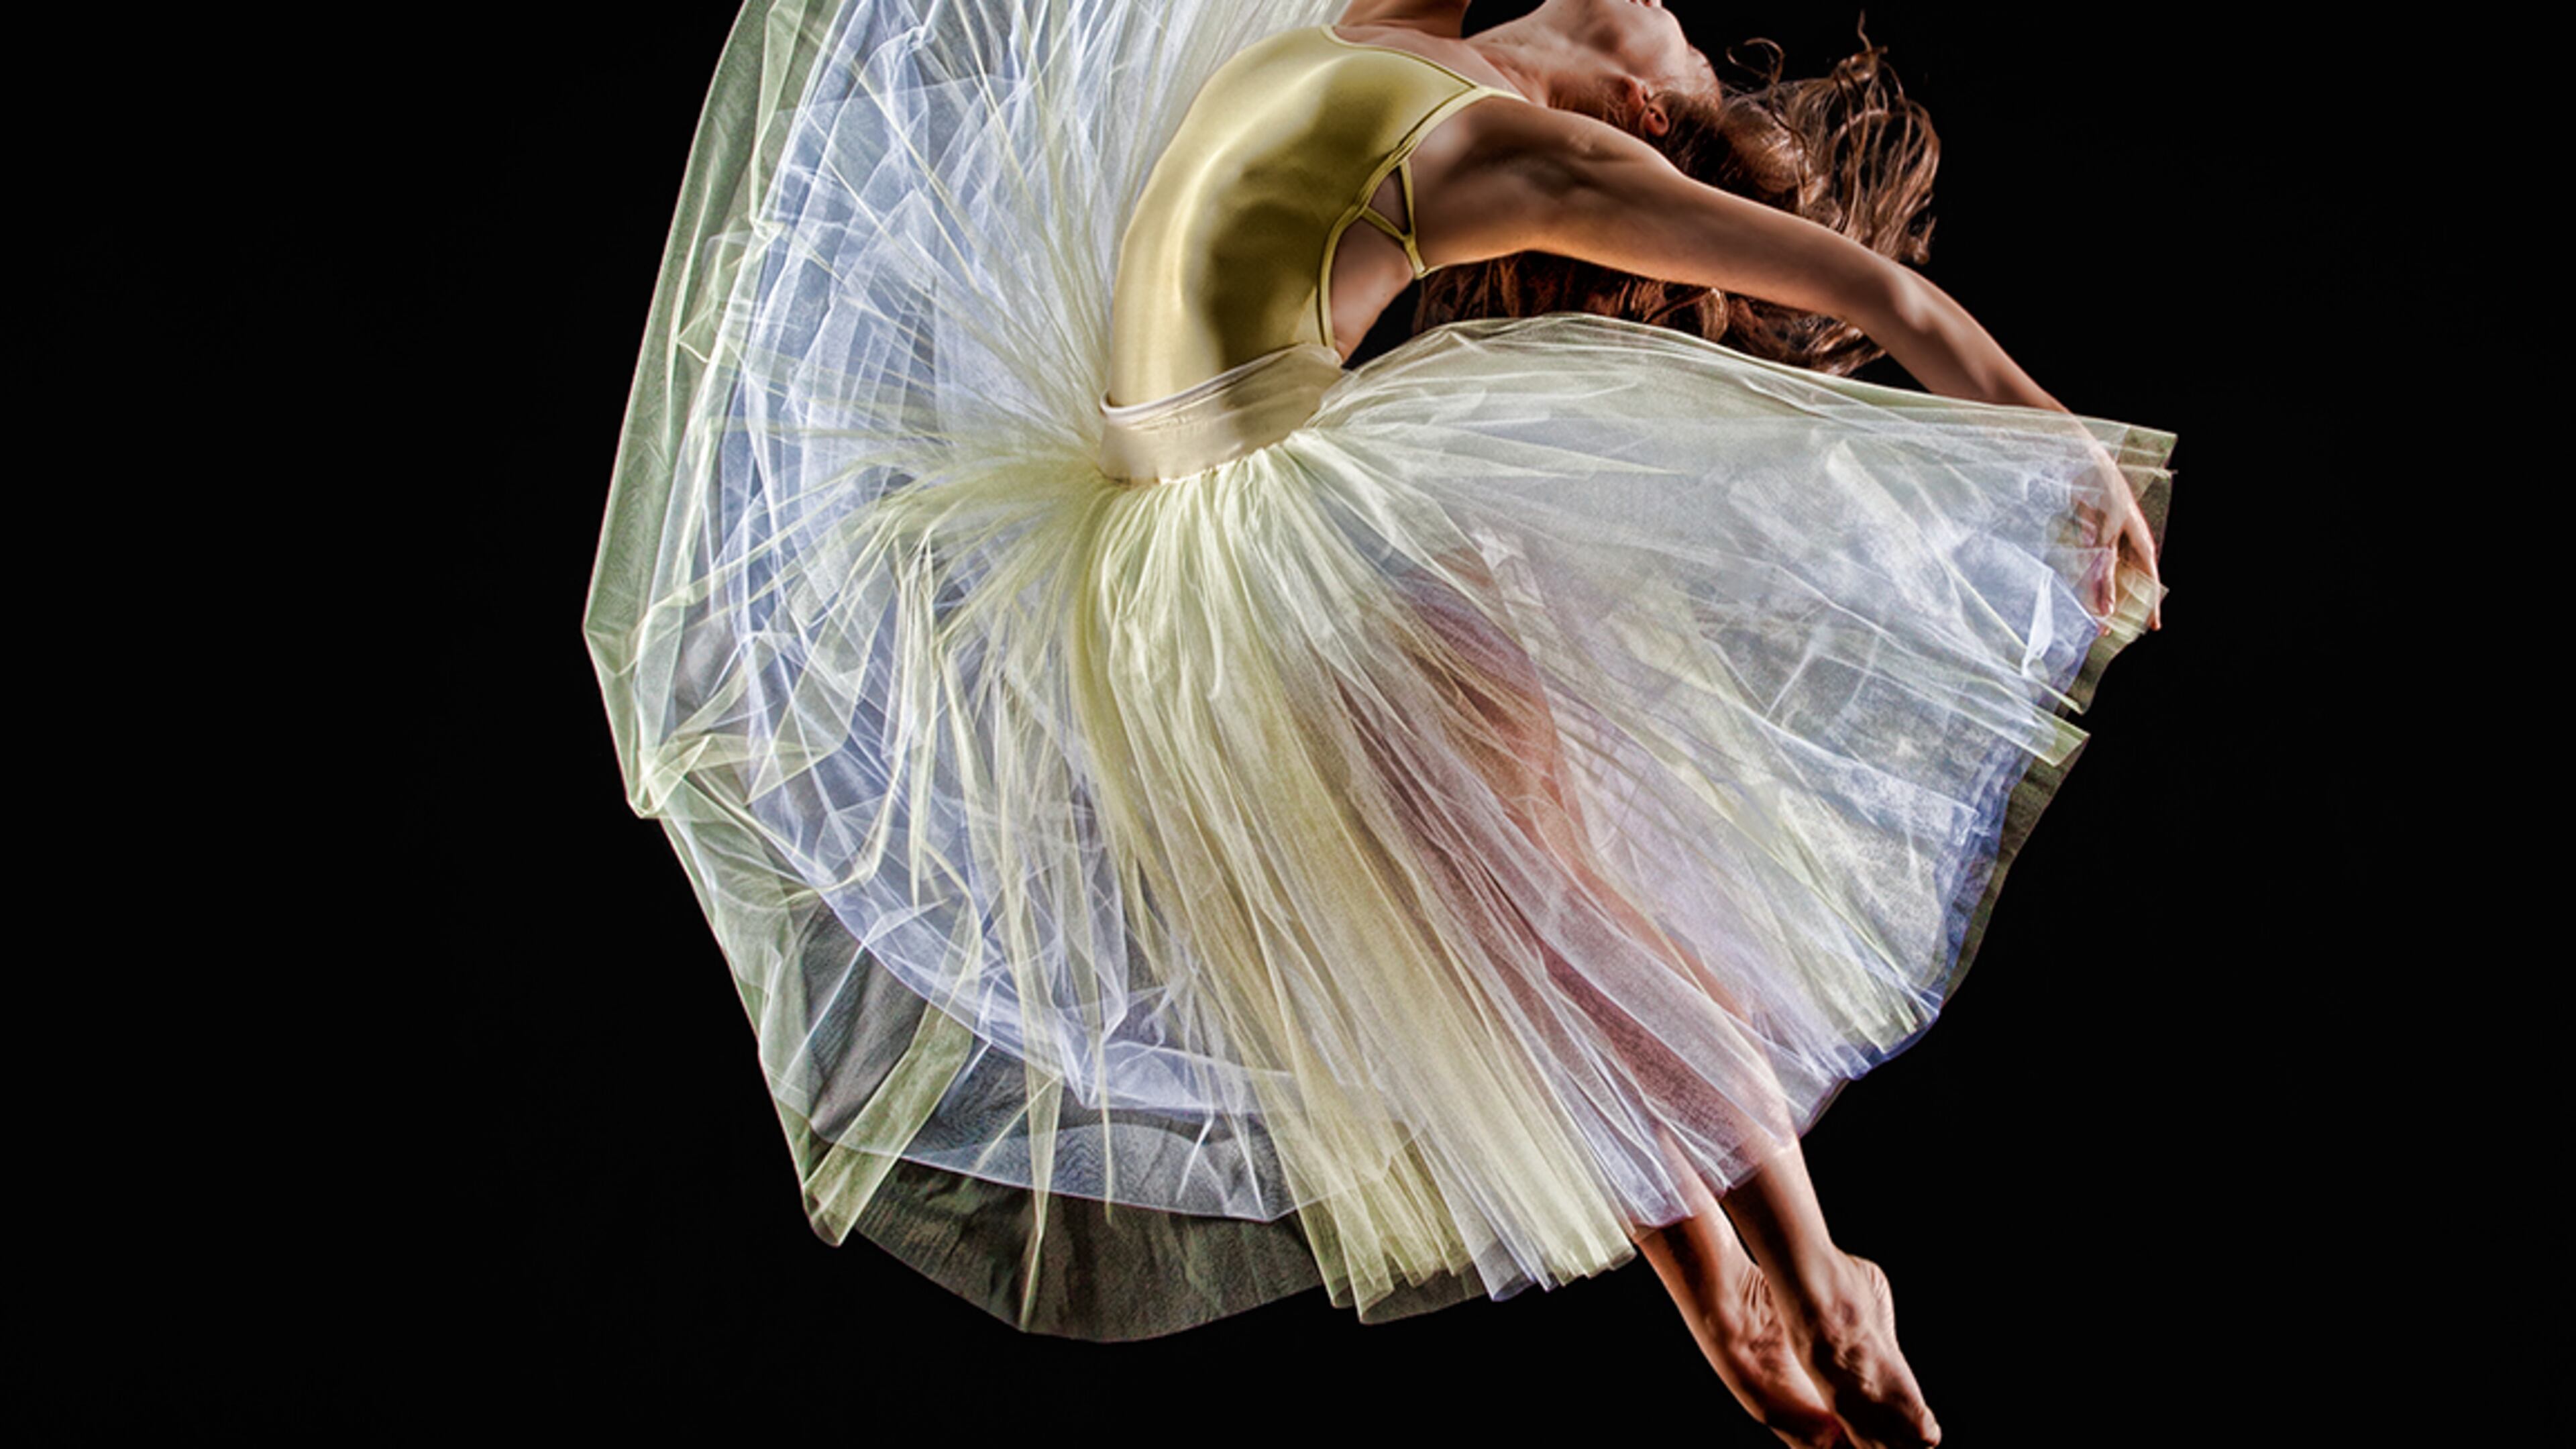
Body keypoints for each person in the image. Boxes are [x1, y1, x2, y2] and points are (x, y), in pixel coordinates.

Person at [585, 3, 2172, 1448]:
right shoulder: (1395, 33)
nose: (1683, 11)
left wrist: (2058, 449)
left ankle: (1811, 1282)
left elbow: (1871, 289)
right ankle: (1755, 1307)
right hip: (1190, 579)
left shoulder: (1519, 148)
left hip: (1289, 564)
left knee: (1571, 924)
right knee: (1526, 943)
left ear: (1631, 101)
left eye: (1680, 46)